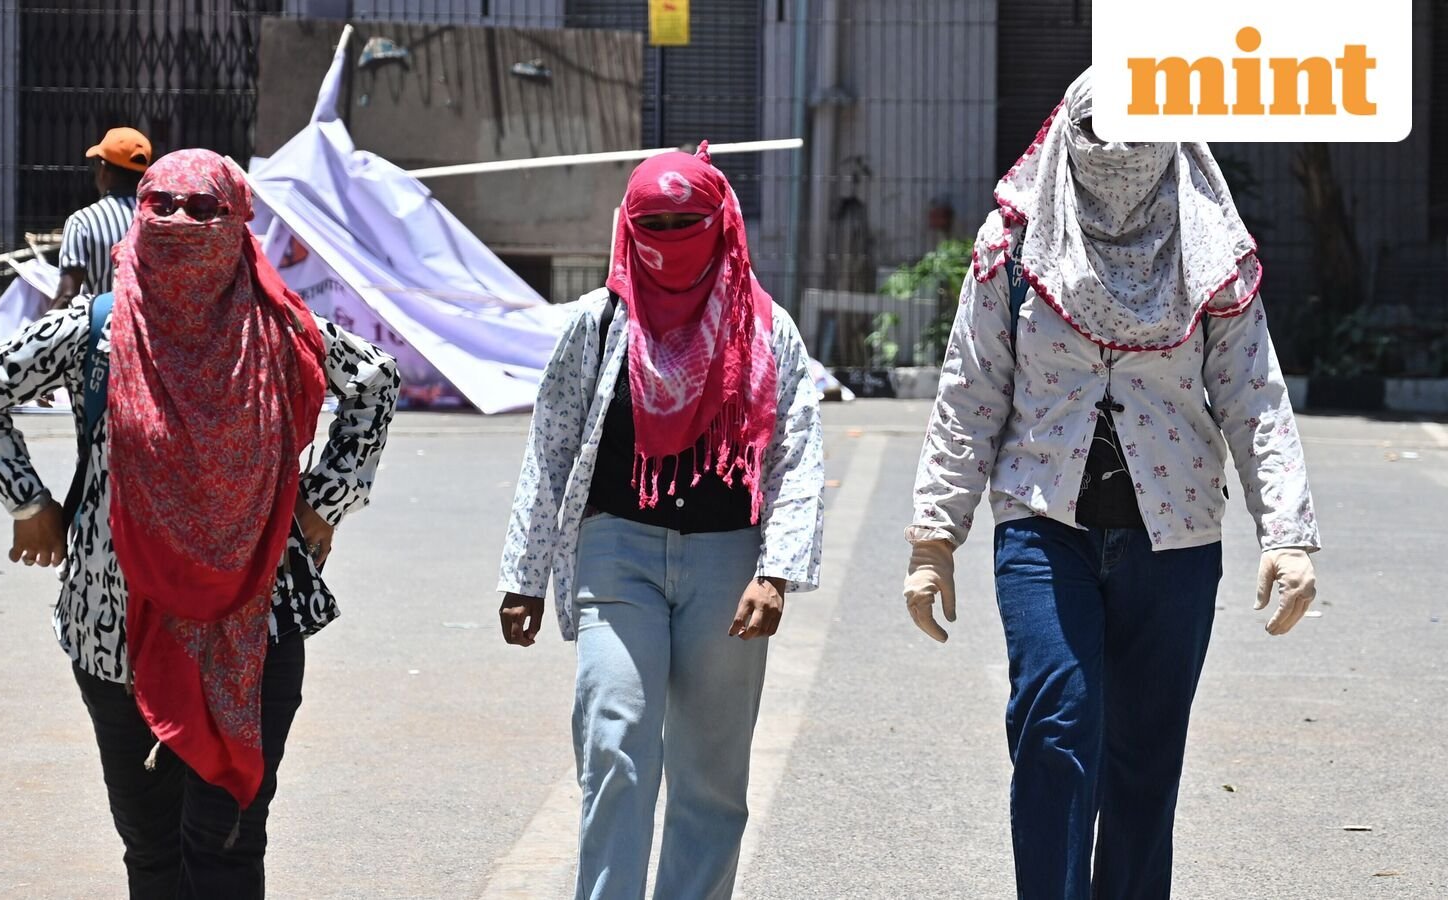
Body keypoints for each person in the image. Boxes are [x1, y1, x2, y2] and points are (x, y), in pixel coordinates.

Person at [901, 70, 1320, 900]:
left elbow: (1254, 396)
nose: (1121, 150)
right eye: (1102, 132)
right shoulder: (1013, 243)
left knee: (1145, 759)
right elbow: (970, 393)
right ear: (1068, 130)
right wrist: (932, 541)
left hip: (1175, 539)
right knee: (1055, 728)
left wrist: (1288, 533)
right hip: (1042, 524)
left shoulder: (1210, 249)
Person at [0, 149, 401, 897]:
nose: (182, 221)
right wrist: (28, 503)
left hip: (256, 627)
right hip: (116, 631)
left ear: (237, 219)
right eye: (163, 205)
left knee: (225, 849)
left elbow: (375, 381)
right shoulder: (97, 330)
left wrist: (326, 500)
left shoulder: (280, 325)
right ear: (139, 214)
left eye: (203, 208)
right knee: (153, 851)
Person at [498, 143, 825, 900]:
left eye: (687, 223)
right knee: (614, 744)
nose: (672, 239)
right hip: (617, 552)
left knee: (712, 775)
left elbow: (797, 454)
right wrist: (523, 577)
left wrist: (776, 572)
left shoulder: (765, 329)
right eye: (655, 224)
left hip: (729, 563)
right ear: (628, 227)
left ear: (721, 222)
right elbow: (550, 448)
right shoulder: (598, 322)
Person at [51, 126, 150, 310]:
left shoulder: (82, 222)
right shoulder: (156, 219)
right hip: (147, 324)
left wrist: (42, 326)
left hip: (100, 324)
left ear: (103, 170)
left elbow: (67, 294)